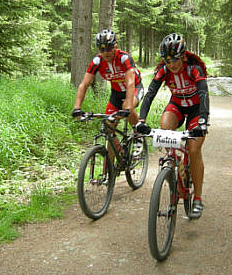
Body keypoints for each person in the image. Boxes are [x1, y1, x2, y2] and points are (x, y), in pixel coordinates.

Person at [136, 33, 210, 219]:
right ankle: (174, 164)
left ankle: (198, 198)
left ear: (183, 56)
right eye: (167, 61)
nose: (172, 64)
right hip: (176, 105)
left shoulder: (194, 69)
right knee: (164, 126)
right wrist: (141, 121)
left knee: (193, 150)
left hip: (195, 110)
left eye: (175, 59)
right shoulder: (164, 71)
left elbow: (203, 95)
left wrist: (203, 120)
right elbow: (150, 94)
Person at [72, 29, 144, 155]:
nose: (106, 52)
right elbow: (84, 85)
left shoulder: (124, 58)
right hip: (116, 93)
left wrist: (127, 108)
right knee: (108, 130)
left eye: (109, 48)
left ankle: (138, 134)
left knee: (128, 106)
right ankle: (110, 169)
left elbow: (131, 83)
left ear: (115, 47)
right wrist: (77, 108)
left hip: (134, 88)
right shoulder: (97, 62)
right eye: (102, 49)